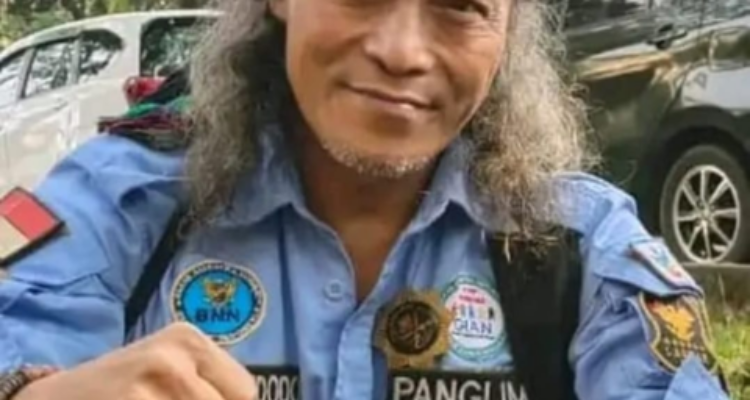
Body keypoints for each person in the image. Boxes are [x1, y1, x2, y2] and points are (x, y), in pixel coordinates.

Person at [0, 0, 730, 397]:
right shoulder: (118, 203)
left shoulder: (584, 250)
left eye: (459, 5)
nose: (403, 51)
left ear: (506, 32)